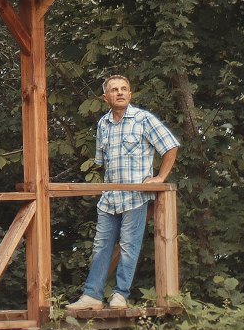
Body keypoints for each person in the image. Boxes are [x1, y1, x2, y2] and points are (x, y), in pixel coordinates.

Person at [68, 74, 178, 311]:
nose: (120, 93)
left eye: (124, 89)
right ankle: (92, 296)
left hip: (135, 198)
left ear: (130, 94)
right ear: (105, 97)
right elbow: (102, 161)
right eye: (114, 90)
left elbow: (170, 146)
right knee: (101, 245)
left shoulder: (143, 119)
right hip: (109, 198)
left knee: (129, 246)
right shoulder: (102, 124)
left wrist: (160, 178)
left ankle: (120, 295)